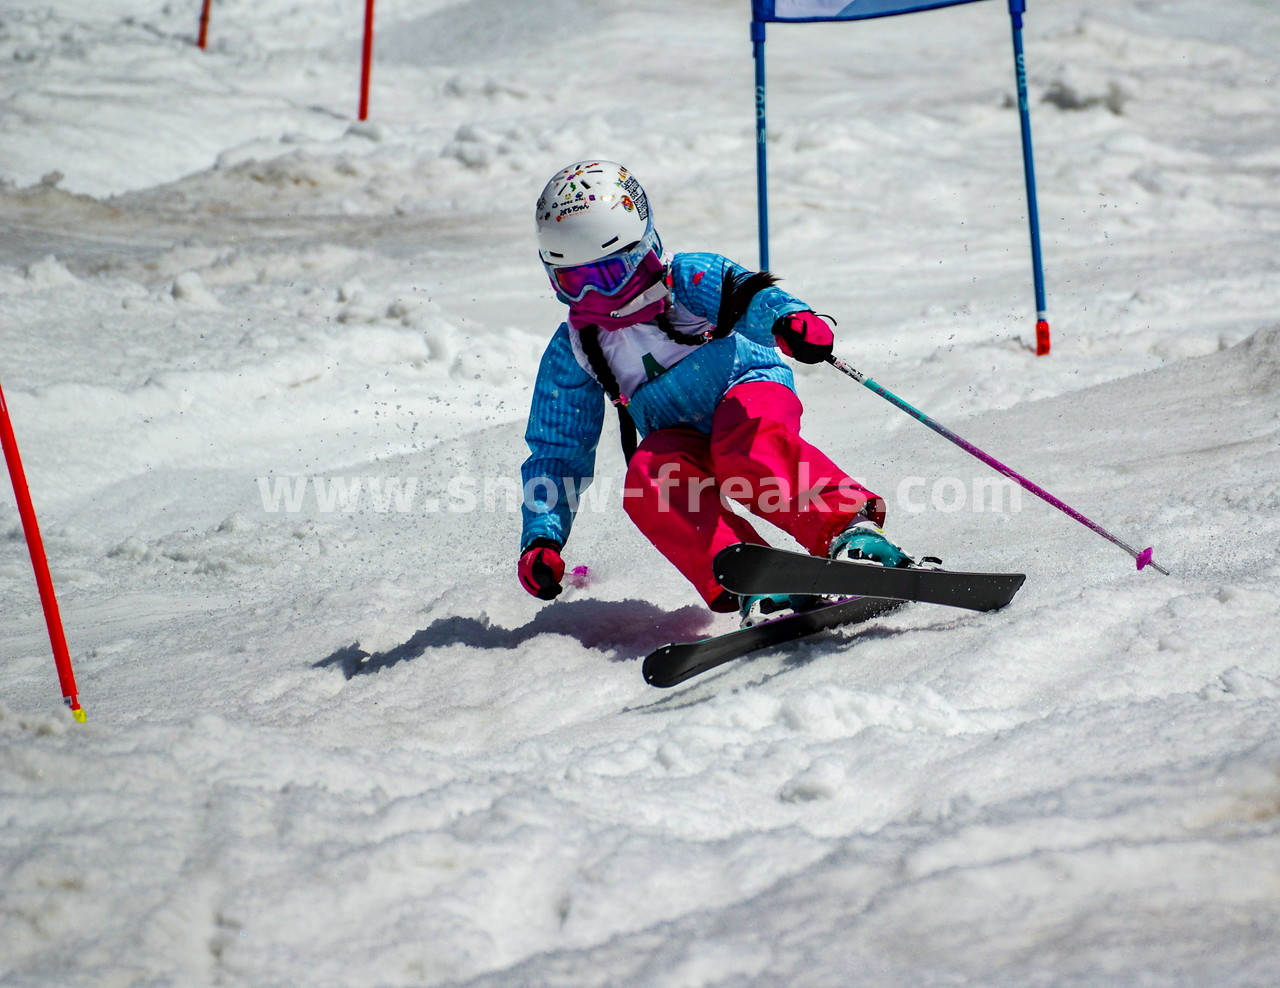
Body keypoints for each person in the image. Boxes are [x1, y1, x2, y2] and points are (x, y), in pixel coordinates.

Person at [516, 160, 919, 626]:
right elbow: (557, 449)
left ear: (644, 248)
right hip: (678, 434)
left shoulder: (688, 280)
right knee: (648, 480)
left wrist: (789, 321)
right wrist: (542, 536)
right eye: (573, 281)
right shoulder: (576, 348)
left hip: (747, 388)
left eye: (606, 276)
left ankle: (851, 531)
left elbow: (750, 296)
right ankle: (754, 576)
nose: (594, 296)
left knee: (745, 445)